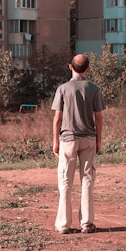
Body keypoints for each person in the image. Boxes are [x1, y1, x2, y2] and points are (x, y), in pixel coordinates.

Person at [51, 53, 105, 234]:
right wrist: (98, 140)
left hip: (68, 139)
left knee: (66, 180)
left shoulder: (63, 89)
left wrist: (55, 141)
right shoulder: (94, 89)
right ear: (88, 69)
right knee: (87, 179)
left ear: (70, 67)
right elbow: (98, 117)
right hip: (89, 137)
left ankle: (64, 224)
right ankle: (87, 223)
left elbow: (57, 118)